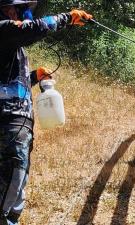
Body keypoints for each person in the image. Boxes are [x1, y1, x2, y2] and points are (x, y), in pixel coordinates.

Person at [0, 1, 93, 224]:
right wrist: (67, 18)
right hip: (8, 125)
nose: (23, 13)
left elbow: (10, 82)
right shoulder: (3, 29)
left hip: (16, 125)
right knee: (8, 191)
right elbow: (33, 28)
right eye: (18, 8)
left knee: (16, 192)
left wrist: (34, 76)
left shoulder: (11, 45)